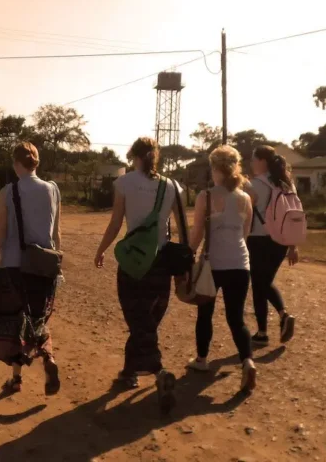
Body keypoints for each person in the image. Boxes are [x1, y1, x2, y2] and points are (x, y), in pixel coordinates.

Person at [94, 137, 183, 413]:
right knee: (147, 319)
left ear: (134, 155)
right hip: (162, 261)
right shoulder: (172, 185)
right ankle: (129, 372)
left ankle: (158, 372)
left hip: (134, 261)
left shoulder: (124, 183)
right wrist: (187, 262)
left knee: (137, 317)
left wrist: (101, 249)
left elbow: (116, 222)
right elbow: (182, 227)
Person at [0, 142, 62, 396]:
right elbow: (56, 232)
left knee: (10, 319)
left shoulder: (8, 191)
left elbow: (0, 232)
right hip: (45, 268)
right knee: (36, 319)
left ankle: (19, 376)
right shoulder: (53, 189)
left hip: (14, 268)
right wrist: (58, 266)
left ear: (16, 163)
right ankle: (38, 364)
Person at [185, 145, 257, 392]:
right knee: (236, 318)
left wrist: (188, 253)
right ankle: (247, 361)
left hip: (213, 263)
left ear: (214, 168)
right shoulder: (245, 198)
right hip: (240, 262)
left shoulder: (206, 195)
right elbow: (245, 234)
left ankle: (202, 360)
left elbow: (196, 233)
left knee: (205, 312)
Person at [246, 145, 298, 347]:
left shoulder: (254, 185)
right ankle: (265, 329)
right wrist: (292, 246)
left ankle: (269, 326)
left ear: (262, 162)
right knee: (263, 283)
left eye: (253, 159)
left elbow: (245, 215)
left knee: (260, 284)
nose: (251, 163)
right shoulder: (287, 184)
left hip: (258, 240)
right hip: (281, 242)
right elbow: (294, 217)